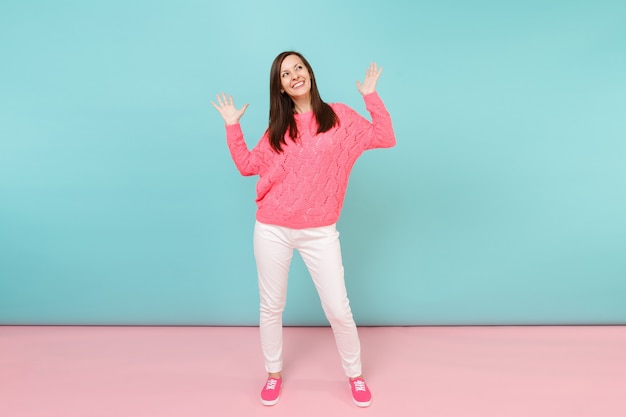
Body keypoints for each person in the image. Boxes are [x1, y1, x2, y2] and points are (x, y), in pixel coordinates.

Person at [211, 51, 395, 407]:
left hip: (319, 231)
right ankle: (273, 373)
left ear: (309, 72)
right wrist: (232, 125)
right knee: (271, 306)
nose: (294, 75)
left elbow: (384, 137)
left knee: (338, 309)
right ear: (279, 87)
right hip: (272, 228)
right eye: (285, 74)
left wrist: (370, 95)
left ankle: (355, 375)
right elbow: (248, 165)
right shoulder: (279, 128)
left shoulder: (340, 116)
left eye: (298, 67)